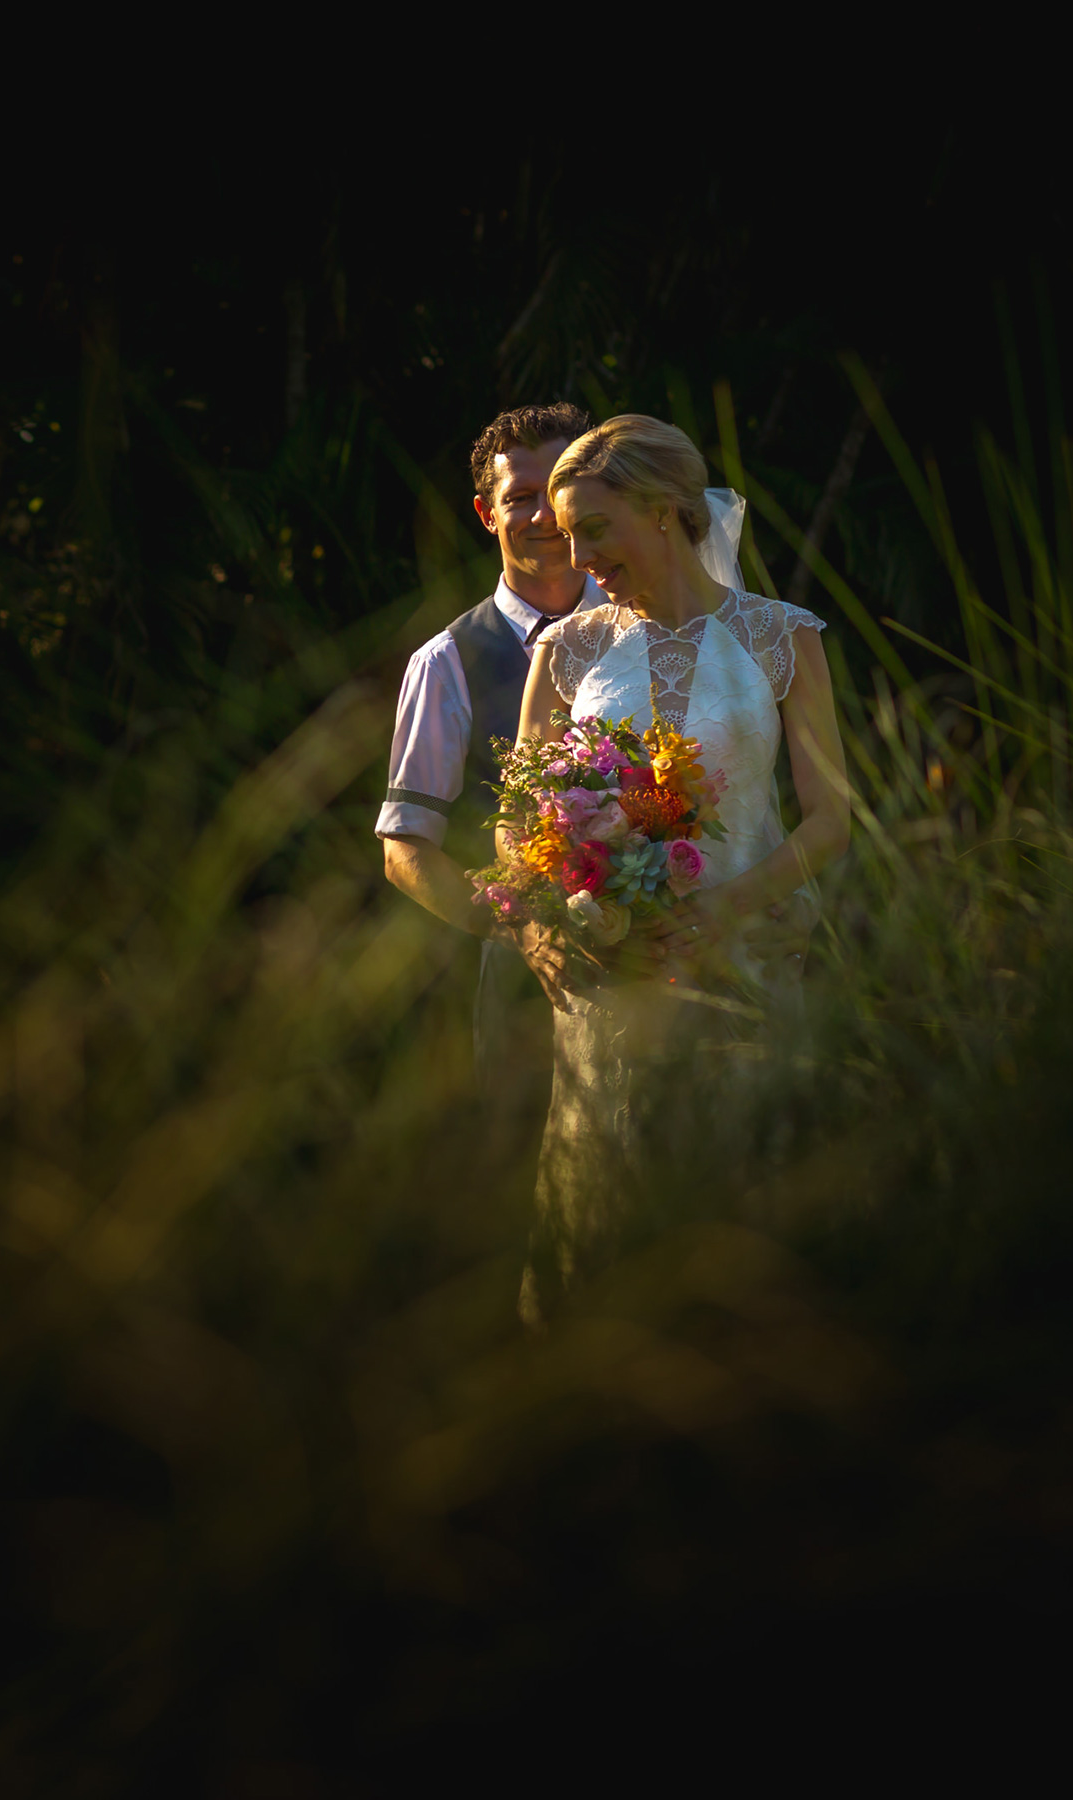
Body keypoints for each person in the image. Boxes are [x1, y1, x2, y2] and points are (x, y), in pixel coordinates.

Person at [508, 415, 851, 1322]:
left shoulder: (784, 637)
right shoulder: (568, 649)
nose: (578, 557)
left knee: (743, 1221)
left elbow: (832, 819)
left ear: (663, 511)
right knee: (611, 1234)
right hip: (608, 974)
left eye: (593, 528)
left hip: (749, 958)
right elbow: (515, 820)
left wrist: (726, 909)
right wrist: (542, 922)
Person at [375, 402, 602, 1129]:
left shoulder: (652, 630)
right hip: (523, 995)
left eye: (557, 491)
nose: (543, 517)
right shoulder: (446, 662)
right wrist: (517, 931)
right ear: (485, 513)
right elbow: (404, 849)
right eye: (519, 498)